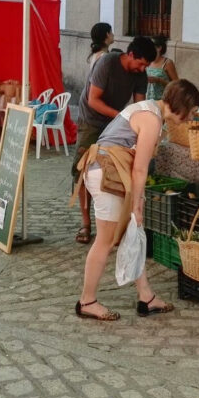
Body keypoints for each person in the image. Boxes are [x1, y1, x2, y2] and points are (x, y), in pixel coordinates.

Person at [76, 79, 199, 321]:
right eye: (192, 112)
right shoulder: (152, 119)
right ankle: (87, 301)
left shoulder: (150, 110)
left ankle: (146, 297)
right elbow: (140, 169)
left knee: (130, 234)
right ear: (182, 105)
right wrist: (137, 204)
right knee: (105, 240)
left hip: (107, 173)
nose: (190, 118)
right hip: (107, 175)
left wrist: (137, 202)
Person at [72, 36, 156, 244]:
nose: (142, 68)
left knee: (118, 169)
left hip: (115, 123)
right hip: (91, 120)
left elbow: (140, 107)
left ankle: (116, 222)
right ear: (130, 55)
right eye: (141, 63)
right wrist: (121, 117)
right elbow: (93, 100)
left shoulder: (140, 74)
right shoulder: (107, 62)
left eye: (146, 65)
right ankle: (86, 223)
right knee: (84, 170)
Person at [145, 35, 179, 100]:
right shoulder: (147, 62)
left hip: (162, 101)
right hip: (147, 101)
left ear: (159, 48)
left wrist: (159, 80)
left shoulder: (167, 63)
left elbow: (177, 85)